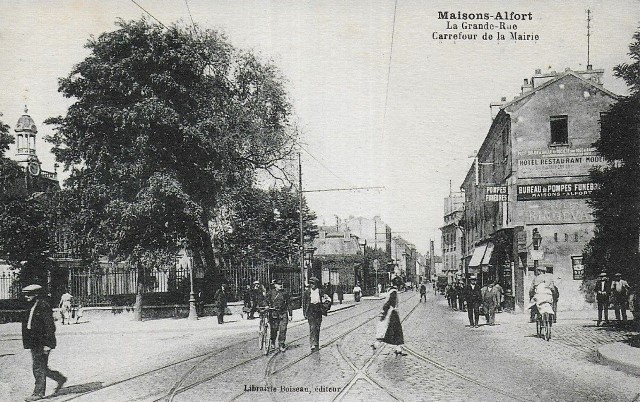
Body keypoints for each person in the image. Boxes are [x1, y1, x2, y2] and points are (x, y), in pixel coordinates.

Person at [21, 284, 67, 401]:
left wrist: (48, 344)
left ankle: (38, 393)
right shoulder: (30, 306)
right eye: (25, 294)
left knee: (38, 366)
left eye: (29, 294)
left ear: (36, 294)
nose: (26, 296)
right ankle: (59, 378)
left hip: (42, 342)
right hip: (34, 341)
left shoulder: (43, 306)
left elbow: (49, 326)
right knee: (41, 366)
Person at [371, 287, 406, 356]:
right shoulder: (394, 292)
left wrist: (384, 313)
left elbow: (387, 304)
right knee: (394, 332)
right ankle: (397, 349)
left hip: (391, 315)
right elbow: (390, 304)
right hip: (392, 315)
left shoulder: (392, 292)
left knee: (389, 332)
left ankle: (376, 345)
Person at [304, 277, 331, 352]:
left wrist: (326, 307)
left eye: (313, 283)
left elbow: (328, 299)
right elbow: (304, 303)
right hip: (311, 310)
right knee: (312, 327)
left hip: (318, 310)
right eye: (311, 283)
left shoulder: (320, 291)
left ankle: (316, 342)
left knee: (317, 327)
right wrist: (305, 313)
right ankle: (312, 343)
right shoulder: (307, 292)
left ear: (316, 284)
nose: (312, 285)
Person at [265, 278, 292, 352]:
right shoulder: (271, 292)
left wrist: (290, 314)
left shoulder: (285, 293)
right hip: (274, 313)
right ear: (275, 285)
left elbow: (289, 303)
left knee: (283, 329)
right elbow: (266, 300)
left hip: (283, 313)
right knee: (274, 329)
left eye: (281, 284)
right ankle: (273, 341)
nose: (280, 285)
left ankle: (281, 344)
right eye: (278, 284)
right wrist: (266, 305)